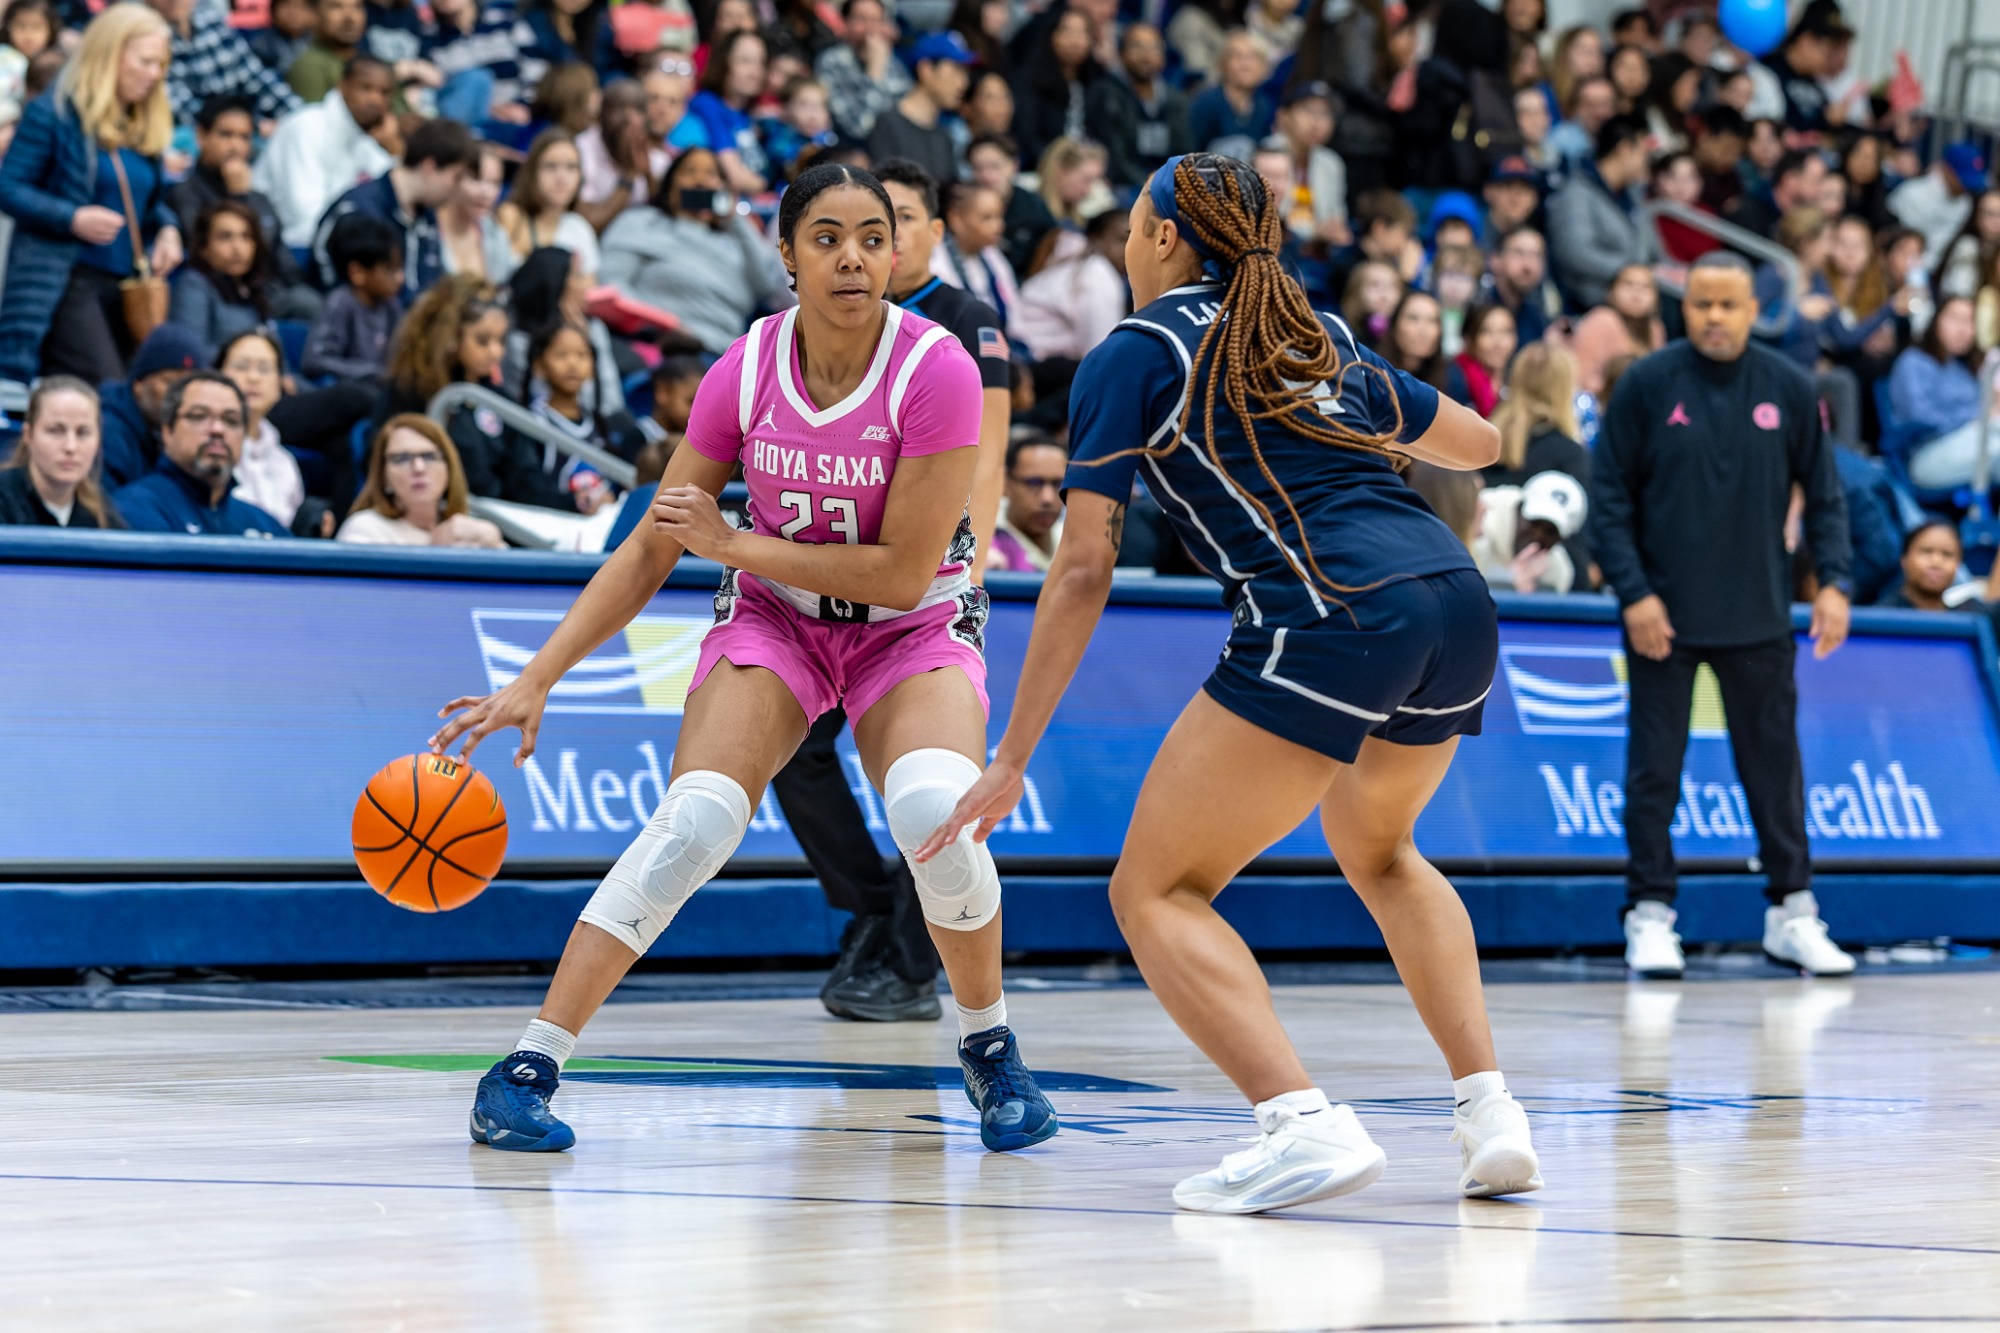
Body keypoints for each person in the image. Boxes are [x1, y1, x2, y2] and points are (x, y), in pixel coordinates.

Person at [916, 151, 1538, 1213]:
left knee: (1152, 890)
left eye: (1127, 222)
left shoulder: (1135, 350)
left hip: (1330, 609)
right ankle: (1490, 1116)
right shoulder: (1315, 334)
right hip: (1453, 596)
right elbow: (1477, 443)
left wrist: (1010, 751)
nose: (1122, 240)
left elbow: (1081, 565)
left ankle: (1295, 1121)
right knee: (1381, 852)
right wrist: (1345, 421)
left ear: (1160, 237)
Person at [432, 161, 1061, 1157]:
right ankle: (527, 1066)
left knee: (933, 815)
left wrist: (734, 545)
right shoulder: (747, 365)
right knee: (693, 822)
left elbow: (901, 574)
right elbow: (654, 538)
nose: (851, 255)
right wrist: (537, 674)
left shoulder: (937, 367)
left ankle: (987, 1044)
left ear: (896, 254)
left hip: (913, 623)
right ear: (785, 255)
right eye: (826, 236)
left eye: (871, 235)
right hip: (778, 618)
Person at [780, 156, 1015, 1022]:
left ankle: (913, 965)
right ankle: (873, 908)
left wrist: (976, 561)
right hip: (828, 592)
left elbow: (986, 454)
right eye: (836, 233)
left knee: (929, 780)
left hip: (930, 589)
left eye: (898, 222)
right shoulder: (807, 326)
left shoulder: (963, 323)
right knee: (797, 752)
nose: (874, 245)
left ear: (930, 232)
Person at [1587, 251, 1855, 981]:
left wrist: (1833, 581)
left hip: (1761, 614)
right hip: (1661, 618)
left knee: (1775, 772)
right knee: (1654, 773)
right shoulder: (1646, 382)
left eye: (1728, 305)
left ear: (1752, 311)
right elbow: (1606, 497)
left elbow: (1826, 495)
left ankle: (1791, 912)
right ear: (1684, 307)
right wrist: (1634, 593)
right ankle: (1649, 914)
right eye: (1701, 303)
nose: (1713, 316)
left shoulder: (1790, 387)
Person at [0, 3, 182, 391]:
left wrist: (167, 229)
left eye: (161, 64)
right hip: (65, 281)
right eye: (146, 62)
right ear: (111, 53)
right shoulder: (54, 112)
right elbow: (8, 187)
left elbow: (147, 200)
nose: (155, 75)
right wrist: (72, 218)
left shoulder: (139, 120)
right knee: (108, 389)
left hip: (127, 288)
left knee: (138, 393)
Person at [598, 148, 792, 357]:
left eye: (711, 175)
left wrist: (735, 219)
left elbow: (767, 287)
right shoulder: (642, 223)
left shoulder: (735, 241)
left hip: (723, 355)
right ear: (670, 188)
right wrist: (657, 324)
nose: (701, 181)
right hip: (655, 345)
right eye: (690, 172)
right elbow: (611, 284)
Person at [170, 93, 321, 315]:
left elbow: (286, 265)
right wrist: (237, 198)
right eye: (226, 135)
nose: (235, 146)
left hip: (269, 295)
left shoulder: (259, 198)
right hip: (218, 297)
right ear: (201, 136)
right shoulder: (184, 193)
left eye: (244, 137)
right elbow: (207, 255)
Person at [373, 274, 514, 493]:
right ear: (451, 337)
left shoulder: (500, 398)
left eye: (501, 341)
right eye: (482, 341)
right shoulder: (412, 391)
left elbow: (524, 472)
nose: (495, 352)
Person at [310, 115, 479, 298]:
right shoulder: (359, 210)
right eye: (457, 177)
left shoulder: (426, 216)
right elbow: (333, 289)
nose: (457, 188)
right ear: (430, 167)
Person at [113, 370, 291, 536]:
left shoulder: (262, 524)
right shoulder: (132, 509)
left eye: (231, 420)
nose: (218, 429)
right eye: (199, 416)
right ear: (167, 431)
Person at [255, 55, 396, 248]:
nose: (375, 100)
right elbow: (306, 221)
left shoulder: (365, 143)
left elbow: (397, 195)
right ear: (342, 85)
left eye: (384, 92)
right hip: (283, 249)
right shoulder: (306, 127)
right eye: (366, 88)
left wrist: (396, 148)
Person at [339, 411, 506, 545]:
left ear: (449, 468)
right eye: (402, 459)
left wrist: (494, 541)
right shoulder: (365, 529)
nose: (418, 468)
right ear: (384, 476)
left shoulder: (469, 529)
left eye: (429, 456)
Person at [1888, 295, 1992, 491]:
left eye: (1969, 321)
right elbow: (1919, 417)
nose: (1962, 329)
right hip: (1928, 452)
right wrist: (1975, 416)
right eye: (1954, 319)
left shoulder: (1966, 368)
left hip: (1974, 444)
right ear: (1935, 321)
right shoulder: (1913, 362)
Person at [1546, 114, 1648, 311]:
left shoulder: (1630, 195)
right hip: (1587, 306)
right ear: (1625, 149)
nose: (1646, 162)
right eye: (1643, 153)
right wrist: (1630, 271)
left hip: (1628, 300)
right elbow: (1576, 254)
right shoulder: (1576, 193)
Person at [0, 375, 124, 528]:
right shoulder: (4, 499)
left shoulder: (102, 512)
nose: (70, 447)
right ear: (28, 434)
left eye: (83, 433)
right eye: (55, 431)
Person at [153, 0, 302, 126]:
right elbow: (184, 111)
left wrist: (299, 115)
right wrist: (254, 125)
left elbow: (255, 77)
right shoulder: (146, 37)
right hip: (194, 139)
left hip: (244, 123)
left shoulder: (211, 20)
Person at [1013, 203, 1129, 364]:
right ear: (1097, 238)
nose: (1127, 249)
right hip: (1028, 357)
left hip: (1026, 352)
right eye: (1121, 240)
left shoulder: (1080, 258)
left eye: (1132, 240)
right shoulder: (1098, 273)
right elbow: (1100, 351)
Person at [218, 327, 307, 530]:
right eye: (241, 366)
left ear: (280, 384)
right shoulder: (210, 447)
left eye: (265, 369)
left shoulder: (286, 463)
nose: (253, 377)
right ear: (218, 375)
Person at [97, 321, 202, 490]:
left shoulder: (172, 432)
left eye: (189, 386)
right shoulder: (109, 432)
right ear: (138, 384)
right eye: (169, 382)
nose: (180, 395)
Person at [1086, 21, 1188, 192]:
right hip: (1122, 186)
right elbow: (1116, 159)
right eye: (1137, 47)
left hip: (1165, 186)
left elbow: (1184, 153)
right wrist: (1151, 187)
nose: (1146, 56)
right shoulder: (1105, 95)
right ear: (1122, 53)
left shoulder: (1176, 99)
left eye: (1154, 48)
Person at [303, 212, 403, 382]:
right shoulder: (341, 303)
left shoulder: (391, 305)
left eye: (400, 268)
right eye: (389, 270)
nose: (400, 278)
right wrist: (373, 372)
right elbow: (315, 361)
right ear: (357, 272)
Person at [170, 200, 273, 364]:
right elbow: (191, 354)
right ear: (204, 248)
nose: (237, 247)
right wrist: (249, 361)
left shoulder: (254, 290)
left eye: (246, 237)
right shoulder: (194, 284)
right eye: (225, 237)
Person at [864, 30, 971, 189]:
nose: (963, 82)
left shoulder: (944, 137)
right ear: (926, 69)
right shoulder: (887, 123)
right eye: (955, 69)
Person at [495, 128, 599, 276]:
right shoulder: (510, 216)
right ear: (532, 172)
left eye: (571, 167)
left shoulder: (580, 228)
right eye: (551, 166)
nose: (562, 177)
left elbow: (589, 290)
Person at [1009, 6, 1100, 169]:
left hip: (1087, 171)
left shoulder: (1096, 82)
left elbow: (1103, 138)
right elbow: (1027, 137)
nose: (1075, 40)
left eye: (1083, 33)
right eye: (1067, 31)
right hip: (1042, 170)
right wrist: (1058, 167)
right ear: (1051, 36)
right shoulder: (1030, 80)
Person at [682, 28, 769, 195]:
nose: (755, 72)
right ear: (724, 63)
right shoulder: (707, 104)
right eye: (745, 61)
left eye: (761, 63)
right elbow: (736, 177)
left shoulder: (746, 114)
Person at [1472, 468, 1586, 594]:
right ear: (1519, 509)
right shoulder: (1477, 526)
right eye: (1534, 523)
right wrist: (1507, 583)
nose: (1538, 535)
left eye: (1550, 532)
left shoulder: (1556, 572)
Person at [813, 0, 906, 142]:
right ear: (845, 23)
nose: (870, 29)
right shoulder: (831, 62)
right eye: (862, 19)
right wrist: (875, 71)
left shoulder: (893, 63)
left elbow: (906, 120)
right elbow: (859, 127)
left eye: (877, 20)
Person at [1569, 261, 1664, 398]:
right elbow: (1581, 379)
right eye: (1628, 284)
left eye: (1645, 287)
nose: (1636, 293)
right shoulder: (1602, 320)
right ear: (1611, 291)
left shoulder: (1655, 328)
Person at [1889, 143, 1985, 271]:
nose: (1965, 187)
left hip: (1931, 270)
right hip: (1898, 264)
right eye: (1961, 179)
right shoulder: (1913, 193)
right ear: (1946, 169)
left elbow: (1939, 246)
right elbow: (1901, 244)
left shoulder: (1965, 203)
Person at [986, 431, 1064, 572]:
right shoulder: (981, 546)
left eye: (1058, 484)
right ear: (1004, 482)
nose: (1048, 498)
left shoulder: (1075, 544)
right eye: (1034, 483)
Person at [438, 141, 516, 283]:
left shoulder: (496, 235)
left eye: (494, 183)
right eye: (476, 178)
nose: (486, 193)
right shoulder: (426, 229)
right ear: (454, 177)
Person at [1187, 29, 1270, 152]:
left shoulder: (1264, 106)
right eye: (1237, 56)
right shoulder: (1206, 103)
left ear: (1264, 67)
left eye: (1253, 57)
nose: (1245, 65)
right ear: (1222, 63)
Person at [1478, 224, 1560, 347]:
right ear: (1495, 260)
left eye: (1536, 255)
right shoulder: (1477, 308)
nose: (1528, 266)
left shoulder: (1536, 317)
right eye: (1519, 253)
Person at [288, 0, 368, 102]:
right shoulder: (309, 65)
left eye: (358, 7)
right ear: (314, 14)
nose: (350, 17)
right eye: (336, 7)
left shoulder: (365, 60)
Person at [1449, 302, 1515, 417]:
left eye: (1506, 332)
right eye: (1486, 332)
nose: (1498, 342)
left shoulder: (1516, 377)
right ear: (1469, 339)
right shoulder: (1455, 378)